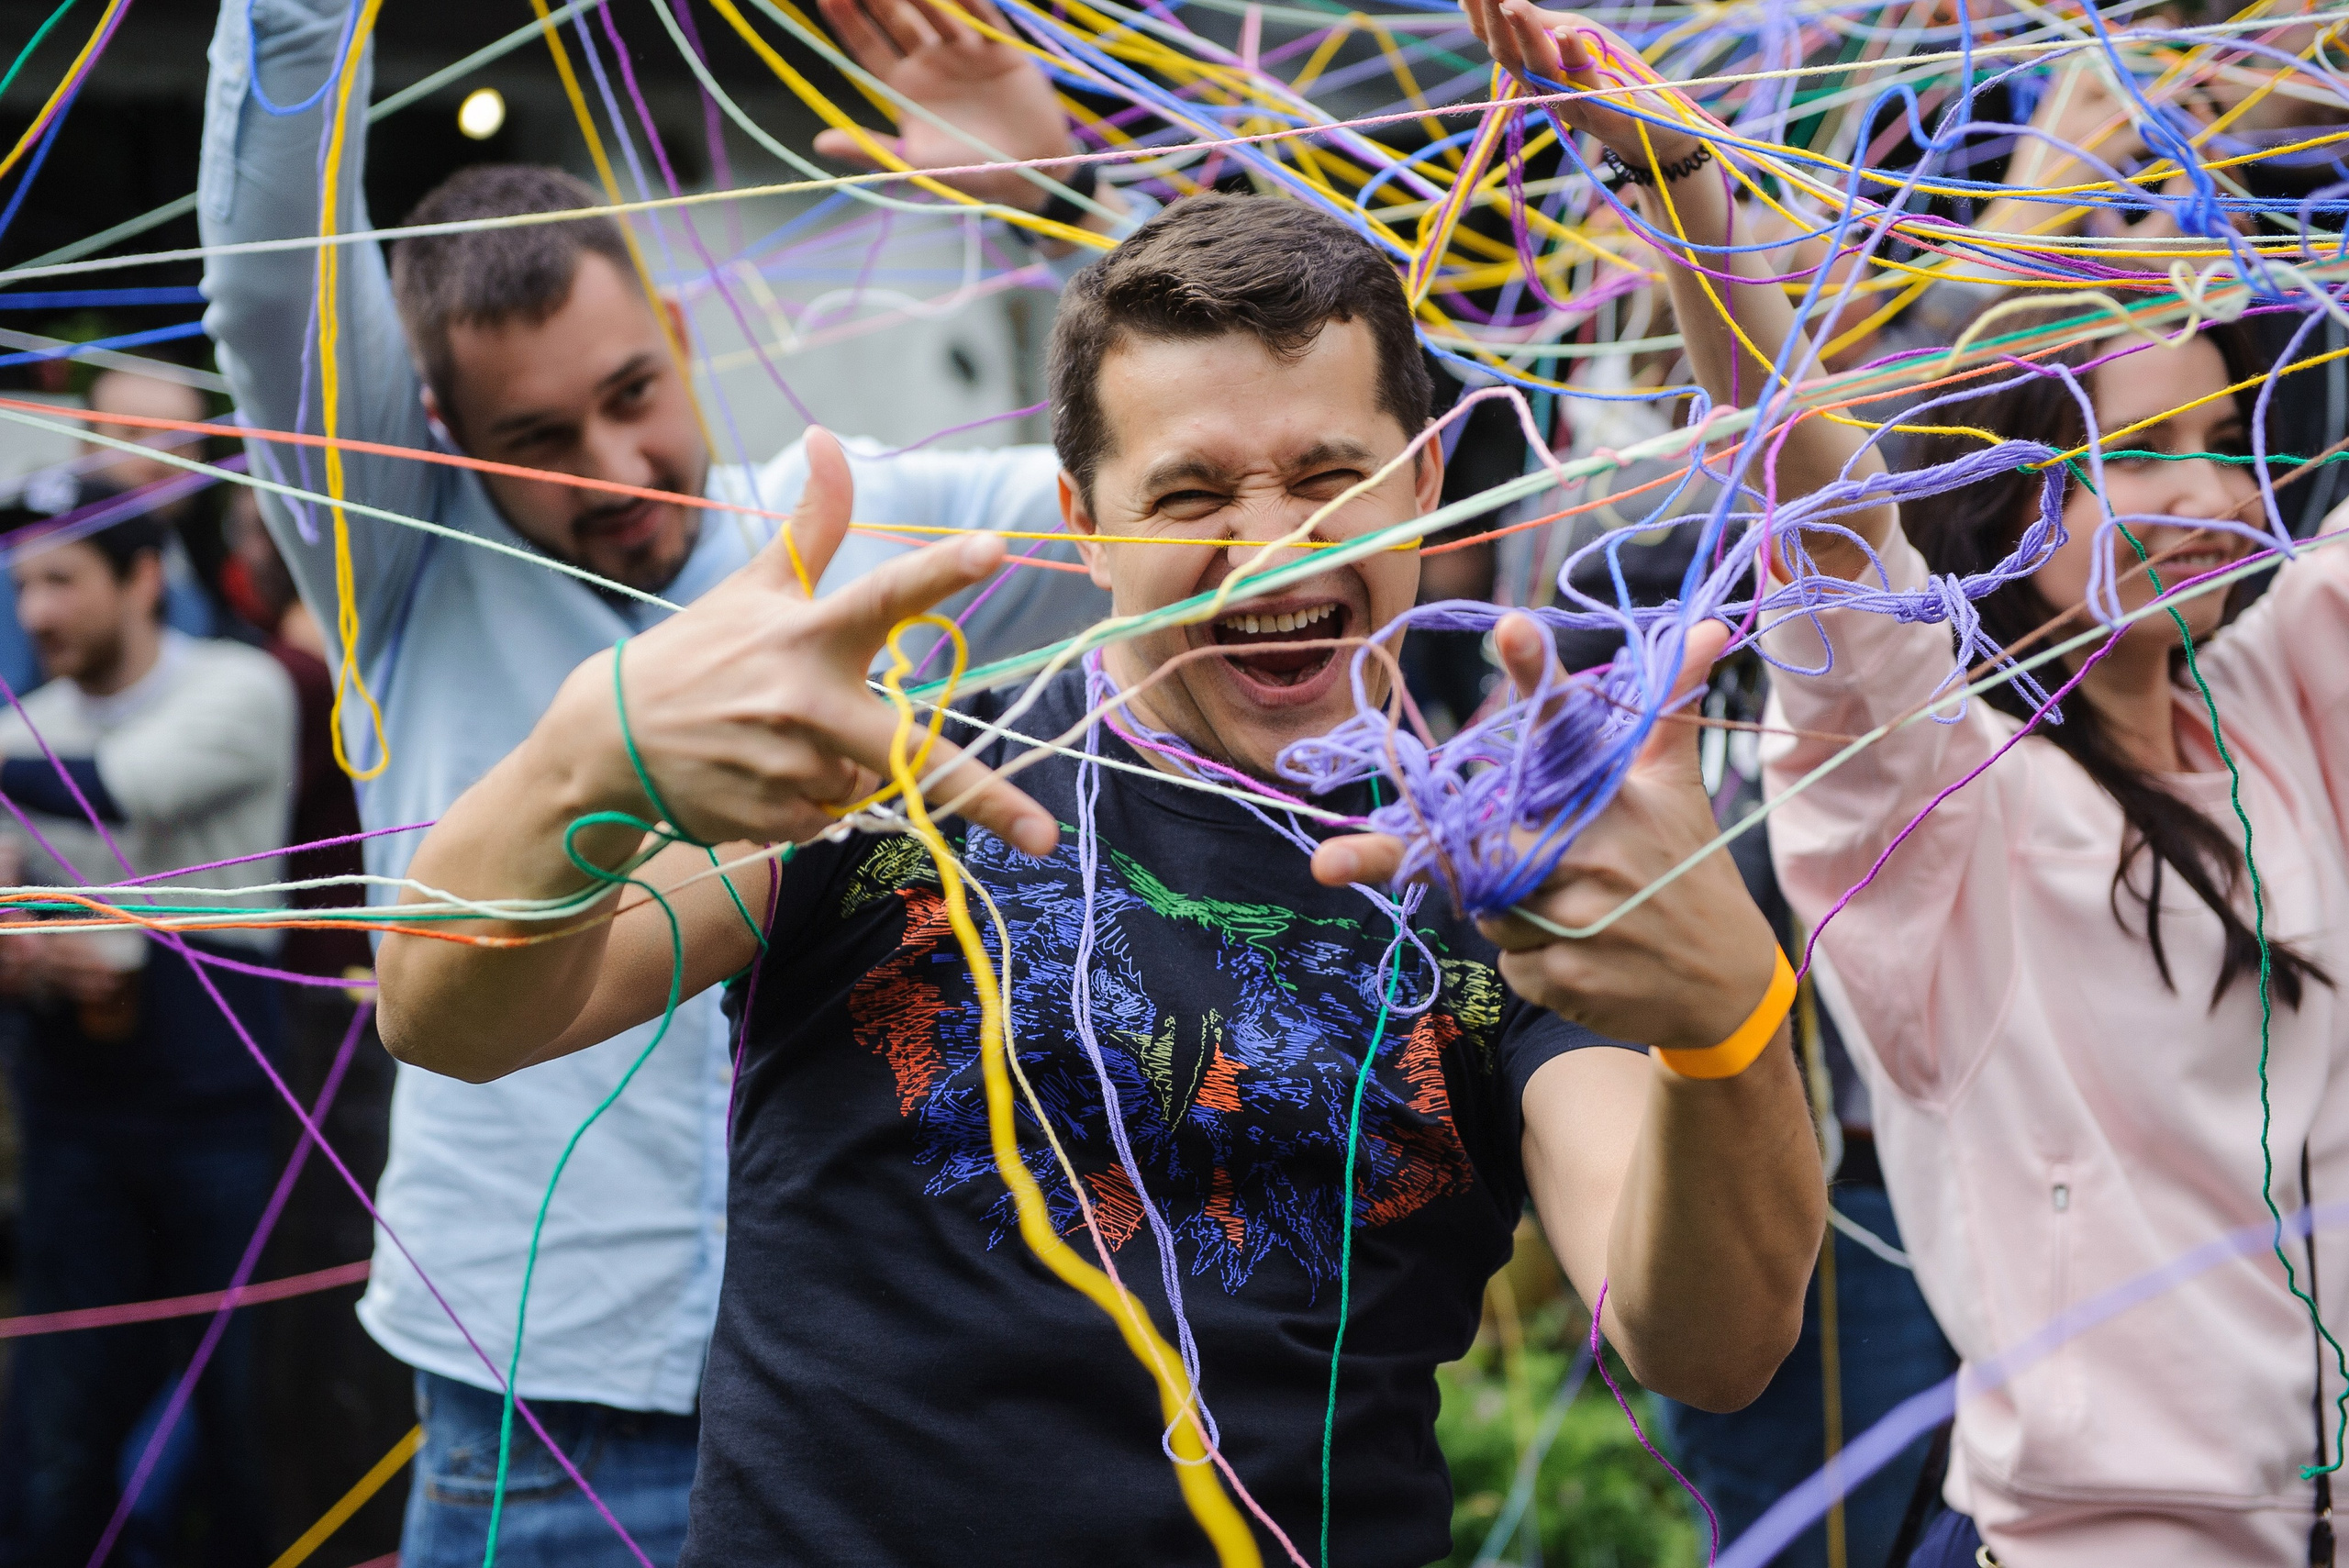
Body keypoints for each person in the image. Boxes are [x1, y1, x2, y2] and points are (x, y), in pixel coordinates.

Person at [371, 191, 1826, 1563]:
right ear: (1084, 516)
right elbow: (454, 1017)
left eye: (1333, 476)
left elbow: (1711, 1341)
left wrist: (1730, 1022)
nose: (1273, 548)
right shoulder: (898, 771)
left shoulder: (1507, 876)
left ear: (1426, 475)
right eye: (1192, 491)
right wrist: (592, 751)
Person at [197, 0, 1131, 1558]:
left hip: (869, 1392)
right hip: (546, 1423)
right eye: (541, 436)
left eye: (634, 393)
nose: (618, 469)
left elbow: (1198, 489)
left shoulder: (860, 530)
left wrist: (1063, 208)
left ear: (683, 339)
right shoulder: (400, 563)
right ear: (441, 434)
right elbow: (265, 272)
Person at [1466, 6, 2349, 1562]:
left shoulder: (2280, 696)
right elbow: (1817, 505)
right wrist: (1688, 197)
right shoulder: (1948, 796)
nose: (2212, 493)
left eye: (2224, 442)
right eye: (2140, 454)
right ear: (2008, 491)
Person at [0, 515, 299, 1565]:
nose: (35, 609)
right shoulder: (28, 723)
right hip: (76, 1099)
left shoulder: (236, 686)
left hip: (221, 1091)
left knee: (248, 1409)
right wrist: (25, 953)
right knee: (58, 1419)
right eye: (23, 583)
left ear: (142, 579)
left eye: (62, 578)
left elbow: (119, 787)